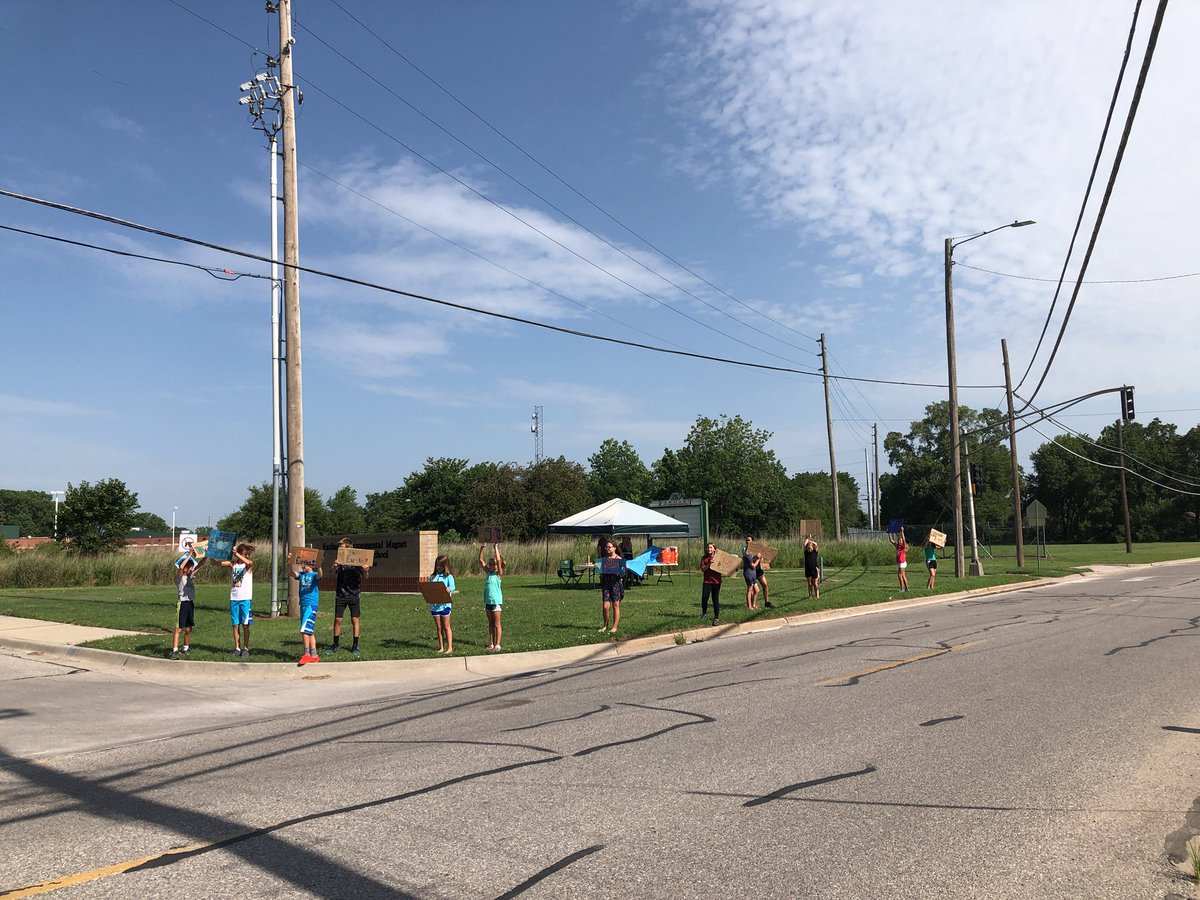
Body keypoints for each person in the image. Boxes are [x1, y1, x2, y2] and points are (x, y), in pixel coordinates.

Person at [330, 538, 369, 655]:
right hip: (341, 594)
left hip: (354, 594)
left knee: (355, 619)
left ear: (348, 549)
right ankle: (335, 644)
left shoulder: (358, 561)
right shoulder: (339, 562)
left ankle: (355, 645)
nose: (339, 551)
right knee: (338, 619)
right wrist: (334, 567)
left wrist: (366, 570)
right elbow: (332, 576)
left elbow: (365, 577)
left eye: (341, 548)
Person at [217, 543, 255, 658]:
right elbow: (216, 563)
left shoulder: (247, 566)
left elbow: (250, 563)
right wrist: (210, 554)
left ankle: (246, 648)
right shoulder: (233, 564)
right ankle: (237, 647)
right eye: (245, 554)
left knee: (245, 625)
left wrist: (237, 554)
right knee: (235, 625)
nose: (247, 556)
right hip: (234, 598)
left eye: (248, 554)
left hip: (245, 598)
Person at [169, 545, 204, 659]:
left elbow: (200, 565)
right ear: (185, 569)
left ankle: (186, 647)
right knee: (179, 628)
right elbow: (181, 566)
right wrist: (189, 554)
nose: (192, 570)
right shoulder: (180, 578)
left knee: (189, 628)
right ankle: (174, 650)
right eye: (190, 568)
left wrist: (206, 556)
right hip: (182, 603)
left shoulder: (190, 576)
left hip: (190, 603)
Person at [293, 558, 323, 666]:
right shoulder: (301, 575)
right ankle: (314, 655)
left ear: (310, 565)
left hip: (311, 605)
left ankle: (307, 654)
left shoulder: (314, 575)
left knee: (304, 630)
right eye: (302, 565)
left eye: (304, 565)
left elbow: (320, 575)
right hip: (303, 605)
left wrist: (319, 566)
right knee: (309, 631)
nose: (303, 567)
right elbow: (291, 573)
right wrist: (289, 563)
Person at [479, 542, 506, 651]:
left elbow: (499, 561)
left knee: (496, 624)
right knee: (490, 624)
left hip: (496, 602)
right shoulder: (489, 573)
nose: (490, 566)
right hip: (488, 602)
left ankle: (497, 644)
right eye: (489, 564)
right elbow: (481, 561)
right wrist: (482, 548)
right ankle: (491, 643)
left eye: (492, 564)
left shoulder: (498, 574)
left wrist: (495, 548)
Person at [429, 554, 455, 654]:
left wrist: (449, 589)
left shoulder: (449, 577)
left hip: (445, 605)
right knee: (439, 627)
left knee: (446, 626)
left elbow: (452, 587)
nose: (438, 567)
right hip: (435, 605)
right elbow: (430, 588)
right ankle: (441, 647)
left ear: (445, 566)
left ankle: (450, 647)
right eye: (437, 565)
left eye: (441, 565)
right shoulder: (432, 577)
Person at [598, 539, 624, 633]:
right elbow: (600, 571)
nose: (607, 549)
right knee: (605, 606)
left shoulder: (619, 559)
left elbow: (623, 574)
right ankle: (605, 625)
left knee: (615, 605)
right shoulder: (604, 559)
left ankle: (614, 627)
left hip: (615, 584)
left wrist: (623, 569)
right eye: (606, 547)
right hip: (606, 584)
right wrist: (598, 567)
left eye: (609, 547)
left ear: (614, 548)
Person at [744, 535, 771, 608]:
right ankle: (752, 604)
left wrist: (762, 559)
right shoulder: (745, 549)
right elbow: (750, 561)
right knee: (752, 589)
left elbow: (763, 555)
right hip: (751, 571)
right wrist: (757, 558)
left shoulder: (757, 548)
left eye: (749, 540)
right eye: (746, 540)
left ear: (753, 541)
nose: (748, 542)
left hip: (758, 569)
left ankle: (766, 602)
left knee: (764, 584)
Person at [699, 542, 722, 626]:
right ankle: (704, 614)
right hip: (707, 581)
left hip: (716, 581)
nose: (709, 549)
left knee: (715, 599)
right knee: (704, 598)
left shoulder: (719, 558)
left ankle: (716, 618)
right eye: (708, 547)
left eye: (711, 547)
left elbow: (724, 568)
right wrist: (709, 563)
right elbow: (703, 569)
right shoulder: (704, 558)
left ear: (714, 549)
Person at [742, 542, 762, 610]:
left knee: (757, 590)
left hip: (753, 574)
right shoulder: (748, 555)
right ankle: (749, 606)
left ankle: (753, 604)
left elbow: (755, 561)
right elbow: (753, 566)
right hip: (749, 574)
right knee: (750, 590)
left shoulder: (752, 555)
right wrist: (758, 560)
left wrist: (758, 558)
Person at [889, 527, 909, 593]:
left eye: (900, 540)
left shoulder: (903, 546)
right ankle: (906, 589)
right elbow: (891, 540)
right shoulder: (897, 546)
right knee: (903, 575)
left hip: (902, 562)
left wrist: (902, 532)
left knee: (900, 575)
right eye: (899, 540)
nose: (899, 541)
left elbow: (904, 539)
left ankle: (902, 588)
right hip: (900, 562)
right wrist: (889, 532)